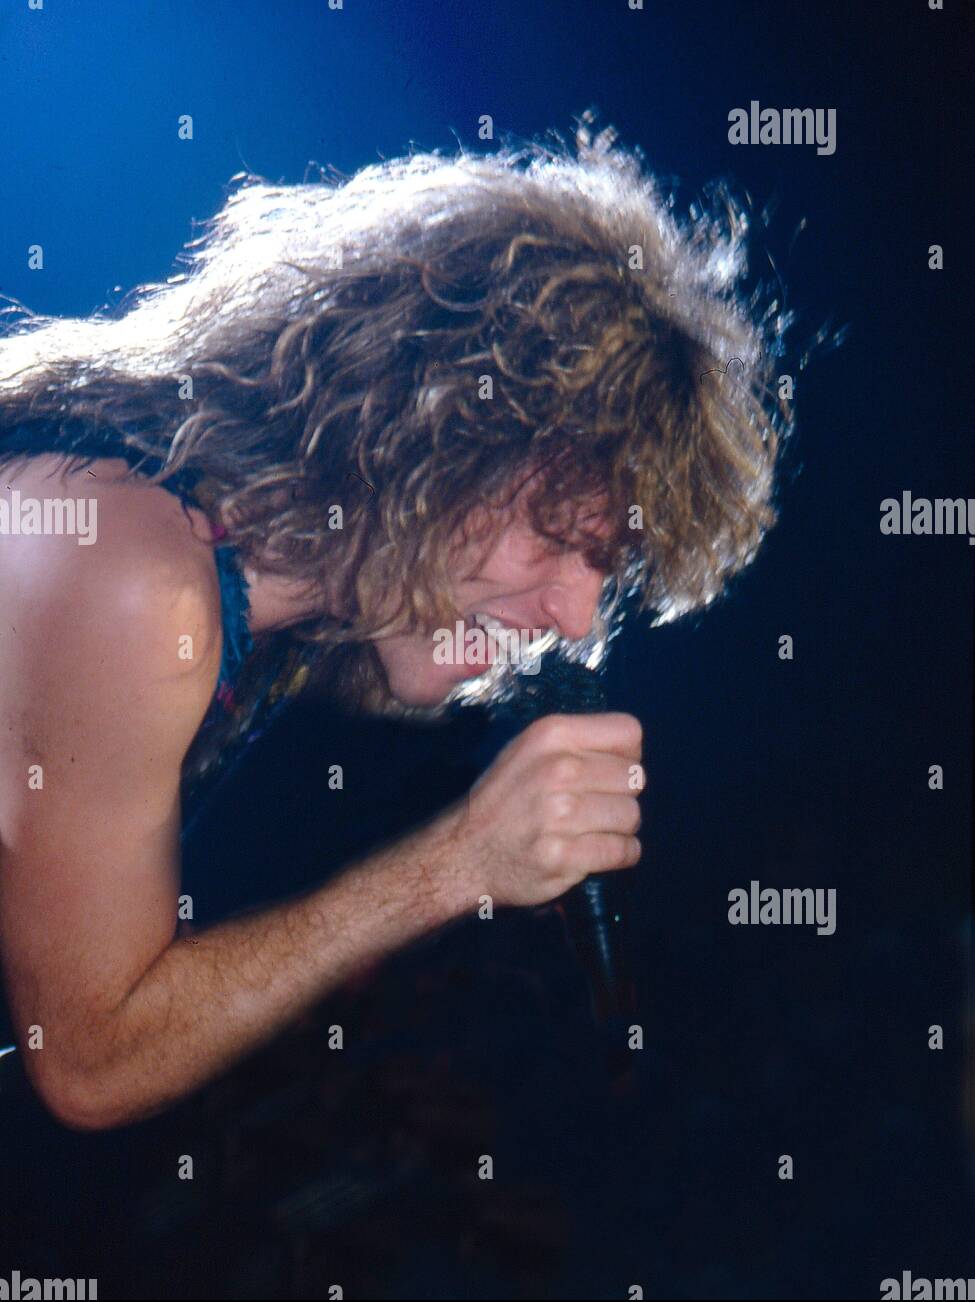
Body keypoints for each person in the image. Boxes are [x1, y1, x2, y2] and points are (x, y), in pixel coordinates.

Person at [0, 116, 789, 1130]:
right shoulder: (144, 579)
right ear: (430, 434)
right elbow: (90, 1058)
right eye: (560, 540)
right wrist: (459, 862)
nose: (578, 617)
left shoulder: (257, 567)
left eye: (607, 571)